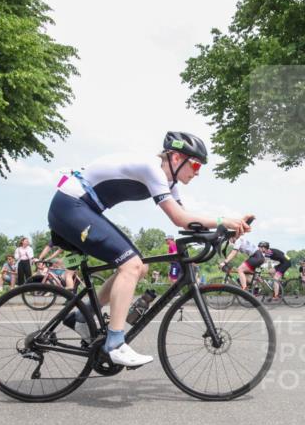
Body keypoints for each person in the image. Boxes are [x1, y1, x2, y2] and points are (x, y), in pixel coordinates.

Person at [48, 131, 251, 367]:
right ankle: (114, 343)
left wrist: (224, 230)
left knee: (140, 266)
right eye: (195, 165)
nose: (197, 172)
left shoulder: (170, 181)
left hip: (84, 208)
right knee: (131, 265)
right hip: (70, 206)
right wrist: (222, 220)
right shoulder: (152, 169)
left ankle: (83, 318)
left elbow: (188, 219)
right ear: (176, 158)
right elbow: (179, 218)